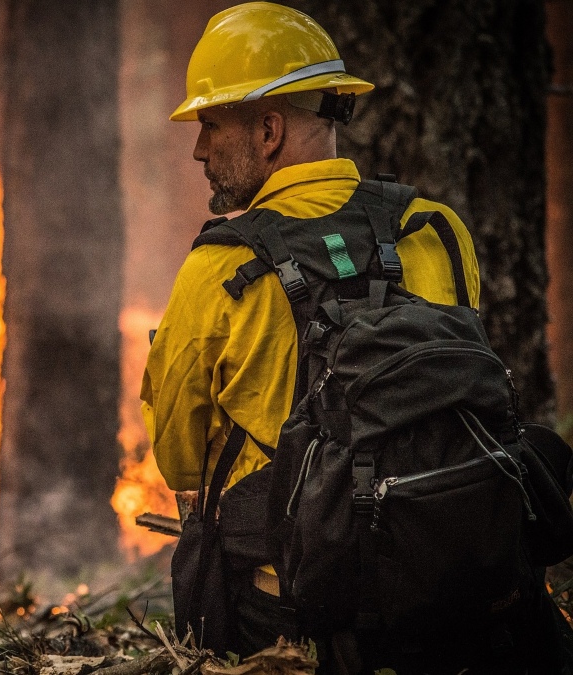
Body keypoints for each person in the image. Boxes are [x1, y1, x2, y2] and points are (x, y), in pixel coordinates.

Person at [141, 0, 484, 664]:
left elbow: (180, 462)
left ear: (268, 129)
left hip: (289, 612)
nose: (199, 148)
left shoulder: (220, 269)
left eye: (211, 124)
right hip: (448, 586)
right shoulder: (437, 229)